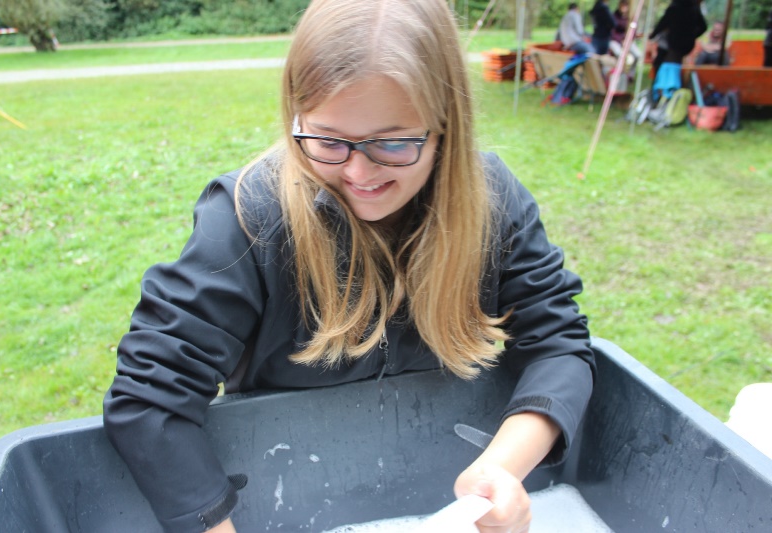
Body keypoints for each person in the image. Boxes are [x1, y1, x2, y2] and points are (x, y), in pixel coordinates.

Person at [102, 1, 596, 532]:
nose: (359, 172)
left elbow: (557, 343)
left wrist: (500, 470)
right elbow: (151, 398)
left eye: (394, 142)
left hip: (434, 477)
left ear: (446, 126)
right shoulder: (249, 219)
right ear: (296, 116)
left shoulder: (491, 203)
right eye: (328, 140)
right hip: (284, 490)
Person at [649, 0, 707, 74]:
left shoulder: (675, 8)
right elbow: (703, 27)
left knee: (666, 65)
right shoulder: (693, 8)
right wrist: (691, 36)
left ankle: (663, 78)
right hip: (684, 44)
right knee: (672, 63)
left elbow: (662, 23)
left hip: (674, 43)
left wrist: (653, 35)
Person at [609, 0, 643, 72]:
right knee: (619, 54)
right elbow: (612, 32)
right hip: (616, 40)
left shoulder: (630, 18)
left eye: (625, 5)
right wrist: (621, 40)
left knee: (637, 55)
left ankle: (630, 73)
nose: (623, 7)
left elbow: (633, 31)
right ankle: (618, 71)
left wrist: (628, 39)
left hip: (627, 40)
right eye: (622, 5)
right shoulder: (614, 16)